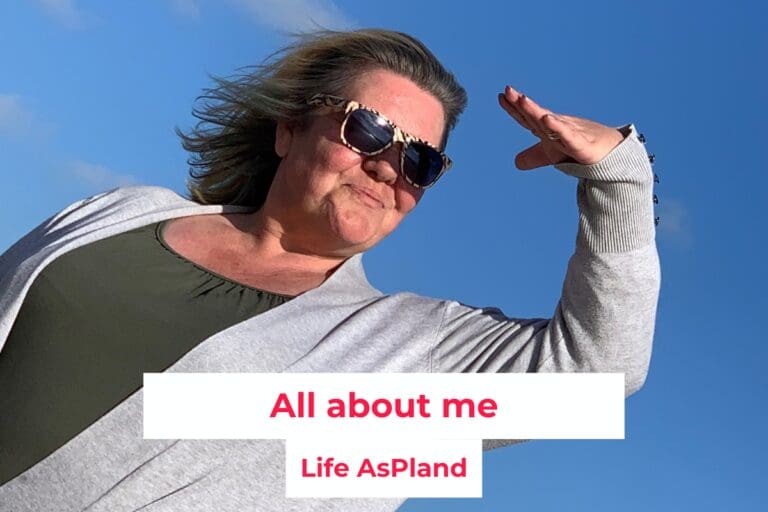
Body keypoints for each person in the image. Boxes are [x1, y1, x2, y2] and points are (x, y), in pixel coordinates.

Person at [0, 28, 660, 511]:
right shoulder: (123, 210)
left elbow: (600, 377)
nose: (387, 167)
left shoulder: (405, 354)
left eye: (421, 162)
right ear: (290, 130)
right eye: (368, 130)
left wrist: (618, 180)